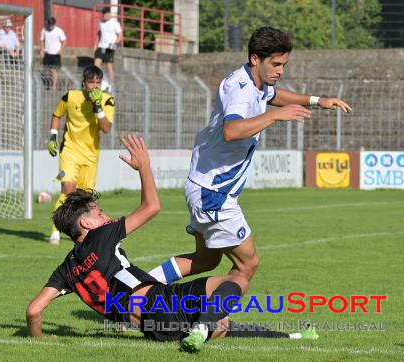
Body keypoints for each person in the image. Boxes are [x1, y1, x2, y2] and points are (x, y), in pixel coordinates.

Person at [26, 135, 318, 353]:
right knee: (238, 277)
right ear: (86, 224)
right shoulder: (100, 236)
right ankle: (203, 326)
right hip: (160, 301)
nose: (107, 217)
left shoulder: (67, 269)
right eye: (100, 214)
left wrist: (40, 338)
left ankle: (292, 337)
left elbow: (34, 311)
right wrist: (144, 167)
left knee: (222, 325)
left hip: (153, 329)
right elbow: (152, 206)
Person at [147, 26, 352, 296]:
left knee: (206, 260)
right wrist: (275, 116)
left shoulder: (258, 82)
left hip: (205, 186)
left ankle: (133, 290)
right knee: (248, 265)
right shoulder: (240, 88)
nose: (281, 71)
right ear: (255, 59)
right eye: (276, 64)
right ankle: (204, 323)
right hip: (214, 193)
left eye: (284, 65)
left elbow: (275, 96)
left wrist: (318, 100)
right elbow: (231, 131)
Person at [47, 65, 115, 245]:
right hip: (69, 150)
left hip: (90, 155)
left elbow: (106, 128)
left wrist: (97, 106)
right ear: (83, 83)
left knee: (85, 197)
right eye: (90, 82)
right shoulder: (70, 96)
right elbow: (56, 114)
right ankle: (55, 231)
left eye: (97, 83)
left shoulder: (107, 101)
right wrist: (53, 136)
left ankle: (82, 233)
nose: (94, 86)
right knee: (67, 190)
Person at [93, 7, 122, 82]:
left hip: (110, 47)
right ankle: (100, 81)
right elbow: (99, 35)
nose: (107, 16)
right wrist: (95, 45)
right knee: (96, 65)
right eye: (105, 15)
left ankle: (111, 84)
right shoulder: (101, 23)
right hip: (101, 46)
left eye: (108, 14)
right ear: (103, 15)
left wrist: (115, 43)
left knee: (109, 66)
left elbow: (120, 36)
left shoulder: (115, 23)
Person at [40, 17, 66, 90]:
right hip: (47, 53)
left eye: (52, 25)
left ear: (54, 24)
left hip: (56, 53)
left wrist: (61, 50)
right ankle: (50, 83)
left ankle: (54, 86)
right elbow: (42, 40)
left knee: (54, 70)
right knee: (48, 70)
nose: (50, 27)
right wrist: (42, 50)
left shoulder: (59, 31)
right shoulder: (44, 30)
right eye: (49, 25)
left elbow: (64, 41)